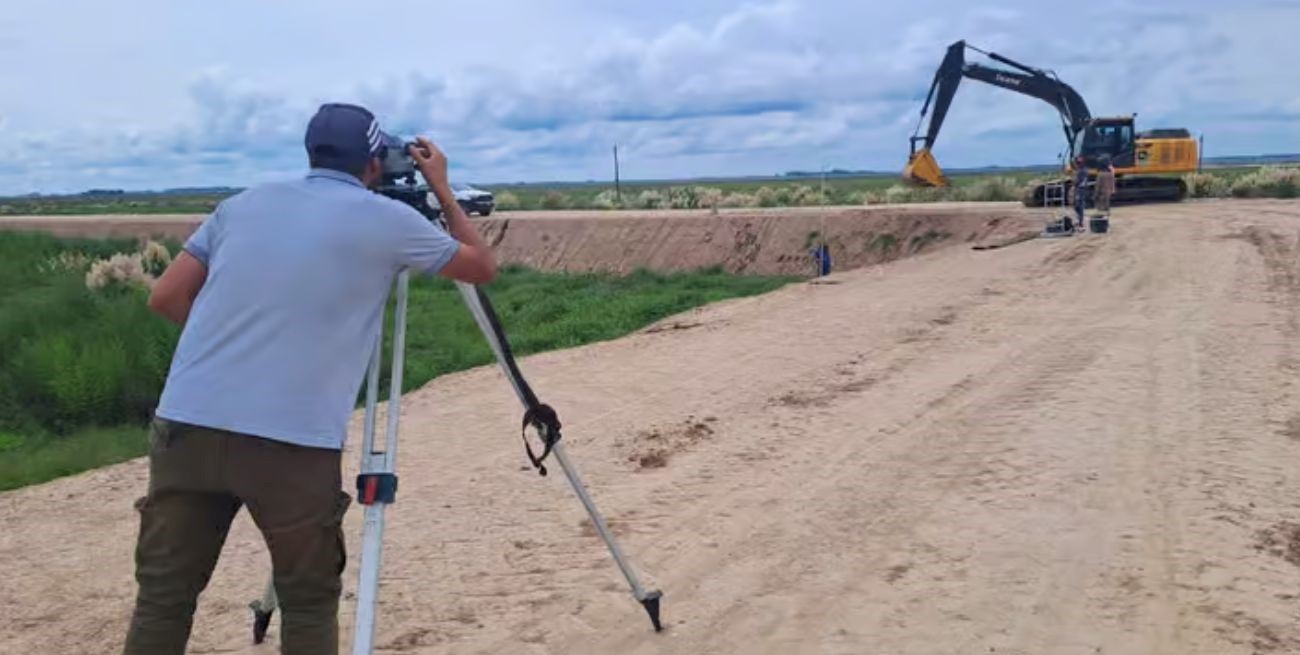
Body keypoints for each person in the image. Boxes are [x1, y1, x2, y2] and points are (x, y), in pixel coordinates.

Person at [122, 102, 497, 655]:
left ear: (311, 153)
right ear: (374, 164)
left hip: (187, 423)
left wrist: (242, 346)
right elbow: (481, 267)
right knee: (308, 599)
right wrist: (441, 189)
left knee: (164, 595)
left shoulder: (241, 206)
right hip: (291, 441)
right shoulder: (389, 221)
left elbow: (166, 297)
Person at [1072, 154, 1089, 228]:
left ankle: (1080, 222)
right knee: (1077, 205)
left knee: (1079, 205)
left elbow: (1078, 181)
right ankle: (1079, 220)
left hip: (1080, 189)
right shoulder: (1080, 170)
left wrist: (1075, 182)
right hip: (1079, 189)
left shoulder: (1083, 170)